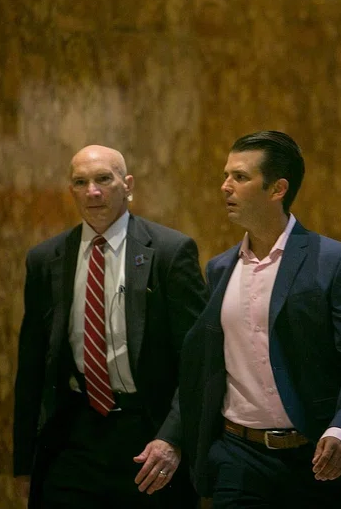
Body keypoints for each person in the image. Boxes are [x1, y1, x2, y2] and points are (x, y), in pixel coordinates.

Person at [179, 130, 341, 508]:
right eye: (226, 175)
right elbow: (203, 363)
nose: (225, 186)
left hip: (314, 456)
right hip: (238, 457)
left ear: (277, 189)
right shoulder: (219, 268)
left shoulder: (334, 261)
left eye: (240, 177)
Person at [13, 145, 207, 508]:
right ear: (71, 191)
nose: (92, 192)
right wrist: (25, 464)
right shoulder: (45, 259)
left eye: (103, 179)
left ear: (127, 184)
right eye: (80, 182)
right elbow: (32, 367)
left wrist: (173, 438)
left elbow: (199, 360)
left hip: (148, 435)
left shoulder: (170, 252)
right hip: (73, 437)